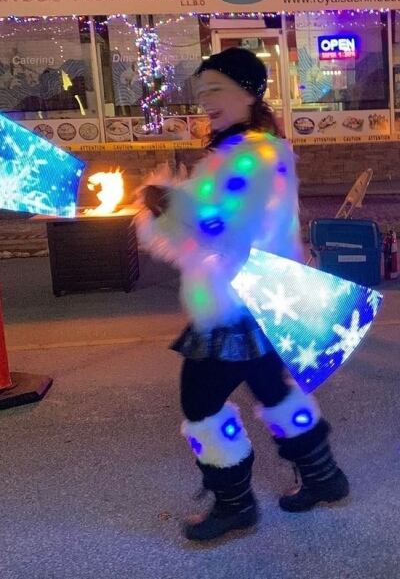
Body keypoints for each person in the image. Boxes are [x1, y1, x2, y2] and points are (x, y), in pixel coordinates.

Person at [136, 48, 349, 542]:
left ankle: (235, 502)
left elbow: (222, 226)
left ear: (250, 92)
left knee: (201, 403)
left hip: (237, 301)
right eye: (202, 91)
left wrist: (167, 202)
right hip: (260, 295)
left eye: (216, 89)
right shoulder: (250, 149)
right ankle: (323, 476)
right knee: (272, 391)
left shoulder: (253, 153)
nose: (205, 100)